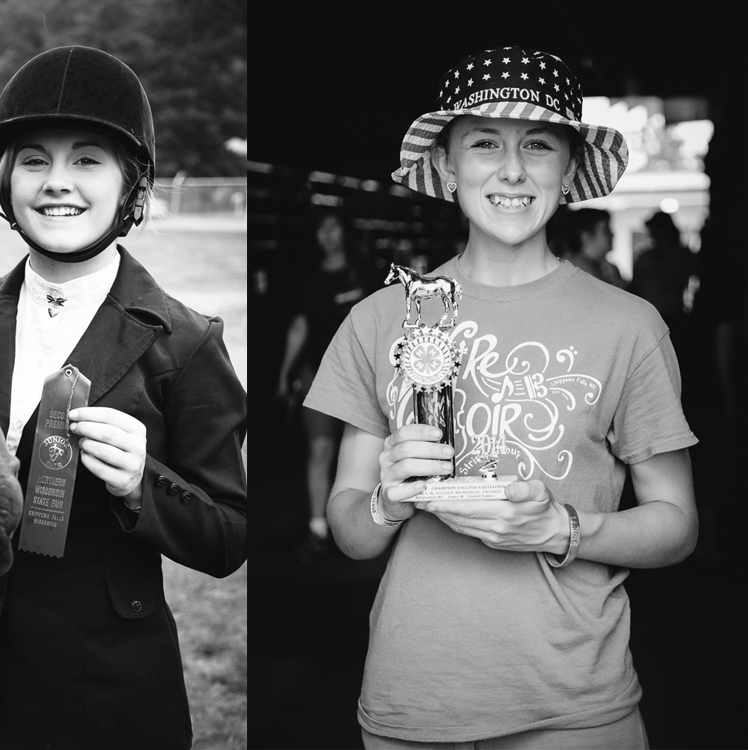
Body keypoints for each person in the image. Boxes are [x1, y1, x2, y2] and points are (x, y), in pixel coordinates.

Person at [304, 47, 697, 749]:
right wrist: (387, 501)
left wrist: (562, 530)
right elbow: (351, 532)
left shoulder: (629, 326)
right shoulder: (380, 318)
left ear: (569, 169)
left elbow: (678, 525)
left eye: (538, 145)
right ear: (448, 165)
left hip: (576, 708)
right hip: (411, 704)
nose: (512, 169)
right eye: (485, 143)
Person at [0, 46, 248, 750]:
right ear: (4, 182)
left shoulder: (185, 342)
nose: (56, 183)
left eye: (88, 160)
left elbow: (229, 537)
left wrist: (142, 483)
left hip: (104, 697)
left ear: (132, 185)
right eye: (34, 159)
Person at [275, 210, 366, 562]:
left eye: (334, 227)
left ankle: (365, 530)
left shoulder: (367, 273)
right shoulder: (306, 278)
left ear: (346, 232)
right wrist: (284, 376)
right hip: (320, 376)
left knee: (364, 452)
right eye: (321, 229)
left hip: (364, 376)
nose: (327, 235)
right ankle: (318, 530)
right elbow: (298, 329)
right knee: (320, 452)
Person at [563, 207, 626, 288]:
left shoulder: (603, 268)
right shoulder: (576, 271)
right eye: (606, 231)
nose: (612, 234)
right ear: (586, 237)